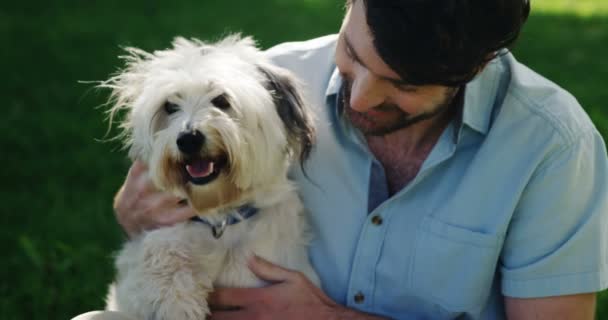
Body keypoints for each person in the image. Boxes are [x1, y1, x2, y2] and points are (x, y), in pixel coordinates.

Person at [89, 0, 608, 319]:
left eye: (403, 85)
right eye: (354, 56)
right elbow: (155, 187)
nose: (357, 100)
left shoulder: (551, 147)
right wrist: (133, 212)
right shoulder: (259, 85)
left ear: (479, 66)